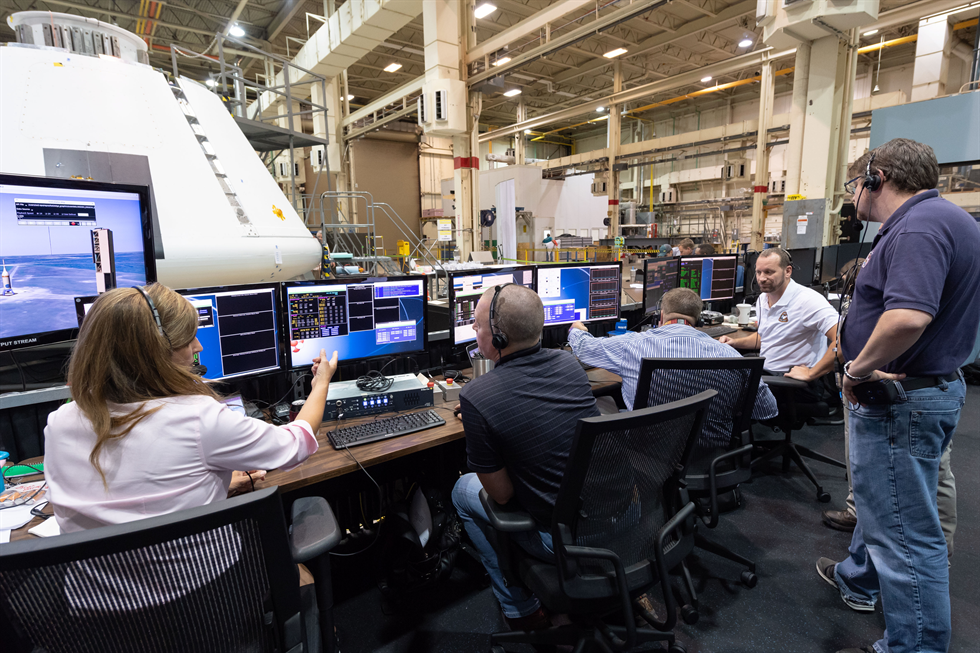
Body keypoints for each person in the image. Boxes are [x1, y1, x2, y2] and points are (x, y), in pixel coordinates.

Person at [815, 138, 980, 653]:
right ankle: (859, 578)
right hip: (929, 389)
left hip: (898, 398)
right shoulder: (953, 221)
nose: (853, 199)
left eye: (854, 186)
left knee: (905, 537)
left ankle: (915, 647)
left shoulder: (917, 227)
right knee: (885, 503)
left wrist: (857, 369)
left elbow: (909, 315)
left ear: (876, 177)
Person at [45, 283, 338, 532]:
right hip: (201, 589)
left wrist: (210, 486)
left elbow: (137, 499)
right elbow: (296, 444)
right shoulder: (198, 418)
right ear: (155, 353)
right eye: (188, 339)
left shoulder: (59, 423)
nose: (198, 347)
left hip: (93, 596)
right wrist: (322, 382)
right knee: (300, 573)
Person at [451, 284, 599, 630]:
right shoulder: (569, 363)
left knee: (462, 489)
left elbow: (501, 494)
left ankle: (520, 608)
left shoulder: (477, 395)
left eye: (477, 325)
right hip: (619, 520)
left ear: (498, 337)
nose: (474, 331)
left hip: (562, 541)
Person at [567, 287, 777, 444]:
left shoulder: (632, 346)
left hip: (649, 454)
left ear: (660, 317)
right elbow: (767, 410)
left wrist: (576, 330)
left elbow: (584, 348)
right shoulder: (730, 355)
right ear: (698, 321)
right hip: (711, 455)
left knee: (603, 402)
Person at [720, 248, 840, 400]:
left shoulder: (808, 301)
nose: (762, 278)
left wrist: (812, 373)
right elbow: (767, 336)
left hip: (791, 381)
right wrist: (735, 343)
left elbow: (844, 340)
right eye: (759, 272)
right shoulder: (763, 299)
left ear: (787, 271)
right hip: (768, 374)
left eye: (769, 272)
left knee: (724, 391)